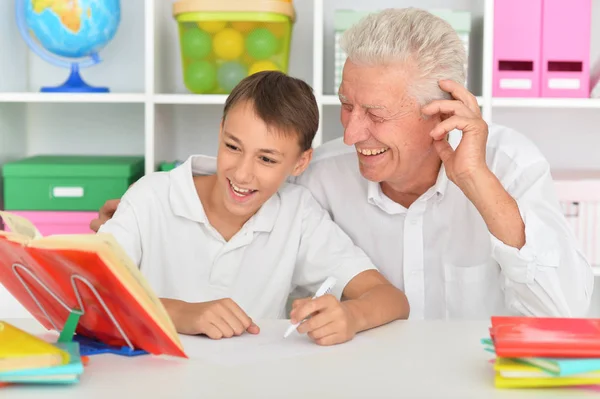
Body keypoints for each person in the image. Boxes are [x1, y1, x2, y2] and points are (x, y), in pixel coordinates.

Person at [93, 8, 594, 319]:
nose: (351, 133)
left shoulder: (510, 164)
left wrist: (475, 181)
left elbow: (564, 315)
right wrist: (140, 217)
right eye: (346, 105)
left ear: (439, 113)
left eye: (374, 114)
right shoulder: (319, 174)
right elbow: (241, 226)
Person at [97, 71, 410, 345]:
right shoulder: (150, 197)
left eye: (267, 159)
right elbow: (90, 295)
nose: (242, 173)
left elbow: (391, 299)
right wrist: (181, 313)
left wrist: (351, 316)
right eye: (233, 147)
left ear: (300, 162)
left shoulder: (297, 214)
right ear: (220, 131)